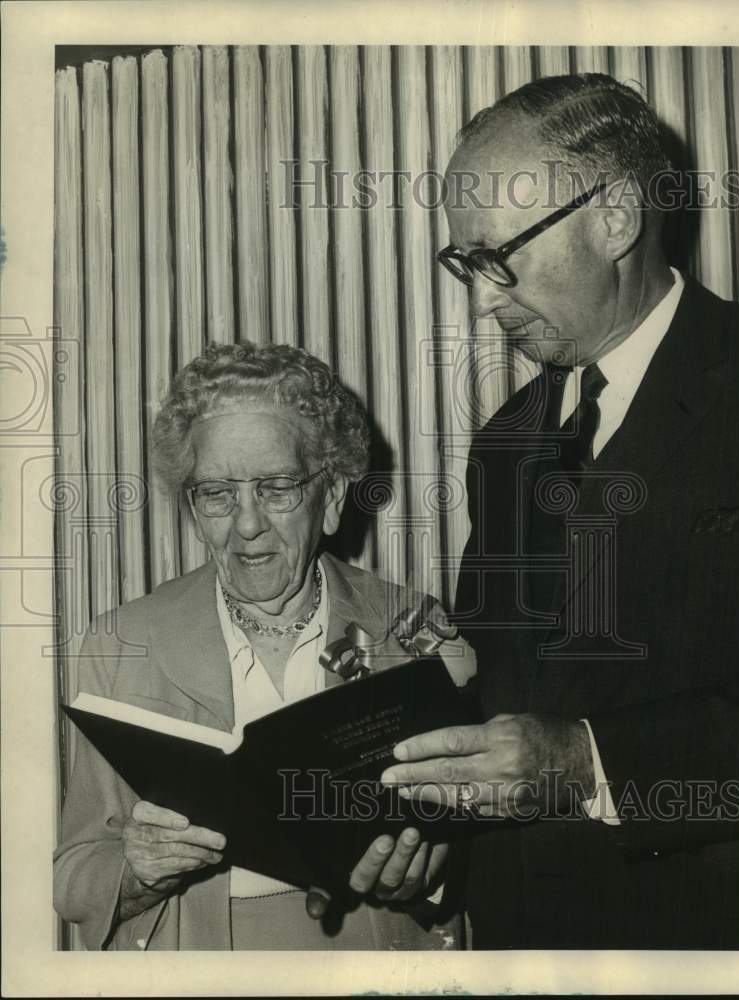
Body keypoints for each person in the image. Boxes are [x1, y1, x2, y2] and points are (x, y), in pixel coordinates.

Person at [380, 73, 739, 949]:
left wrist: (587, 762)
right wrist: (422, 823)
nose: (481, 300)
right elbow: (494, 693)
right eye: (464, 264)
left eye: (498, 256)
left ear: (615, 216)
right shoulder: (507, 442)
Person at [54, 342, 475, 950]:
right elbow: (72, 875)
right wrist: (136, 870)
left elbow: (469, 833)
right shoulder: (120, 643)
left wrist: (428, 868)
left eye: (277, 487)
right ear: (194, 508)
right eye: (217, 493)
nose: (246, 523)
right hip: (200, 959)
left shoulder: (411, 627)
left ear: (329, 498)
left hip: (377, 950)